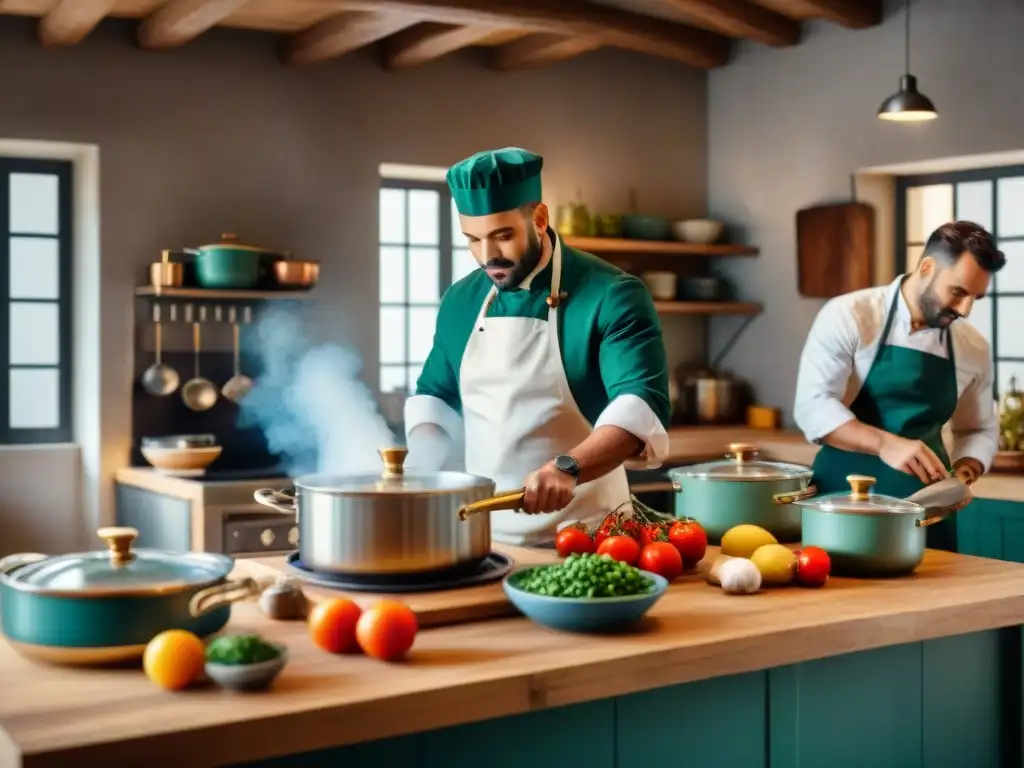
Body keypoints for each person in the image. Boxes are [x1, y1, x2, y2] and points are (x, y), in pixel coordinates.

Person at [403, 147, 671, 546]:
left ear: (540, 219)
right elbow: (436, 398)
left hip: (591, 538)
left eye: (502, 236)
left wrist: (567, 467)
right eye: (472, 240)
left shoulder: (612, 294)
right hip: (484, 537)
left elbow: (639, 406)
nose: (487, 255)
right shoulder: (461, 300)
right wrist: (422, 462)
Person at [793, 220, 1004, 552]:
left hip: (929, 517)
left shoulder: (972, 346)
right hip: (843, 504)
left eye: (975, 297)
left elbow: (978, 429)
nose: (965, 309)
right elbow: (813, 406)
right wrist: (886, 444)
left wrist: (963, 474)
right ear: (927, 267)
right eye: (958, 292)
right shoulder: (850, 315)